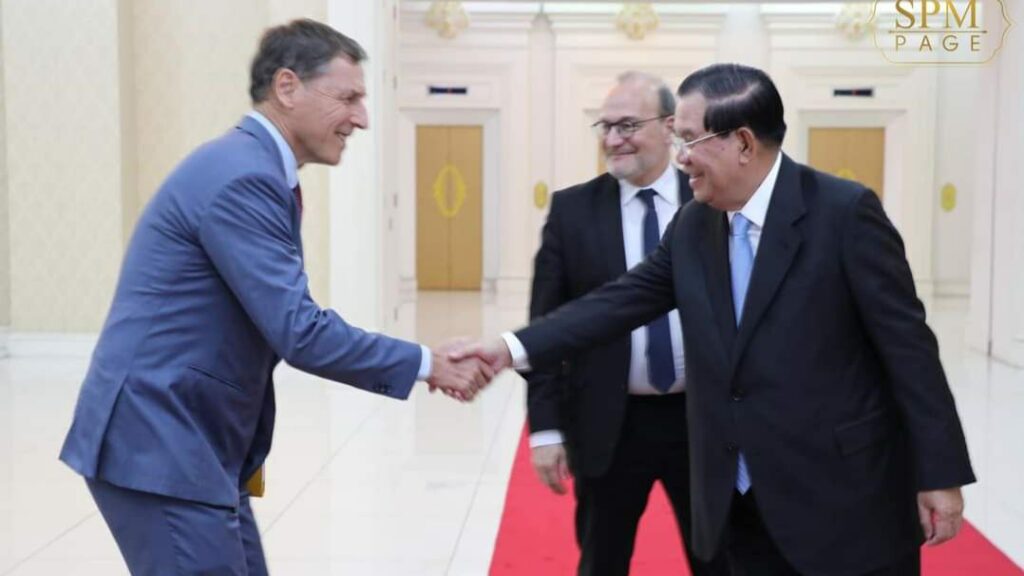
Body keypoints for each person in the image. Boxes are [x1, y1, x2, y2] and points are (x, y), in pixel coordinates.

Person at [456, 63, 975, 576]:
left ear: (743, 143)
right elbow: (615, 303)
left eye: (689, 140)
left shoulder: (843, 213)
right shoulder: (695, 224)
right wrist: (508, 349)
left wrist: (940, 473)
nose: (680, 158)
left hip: (842, 499)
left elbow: (909, 350)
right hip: (739, 501)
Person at [58, 19, 491, 575]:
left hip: (193, 442)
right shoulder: (244, 176)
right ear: (287, 87)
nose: (361, 118)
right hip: (160, 443)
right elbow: (300, 332)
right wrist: (430, 364)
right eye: (349, 98)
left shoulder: (253, 168)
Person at [527, 71, 724, 576]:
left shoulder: (713, 201)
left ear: (669, 127)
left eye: (628, 125)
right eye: (606, 126)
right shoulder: (572, 211)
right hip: (607, 420)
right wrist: (544, 428)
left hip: (702, 420)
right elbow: (547, 325)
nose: (613, 139)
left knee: (719, 560)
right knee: (603, 560)